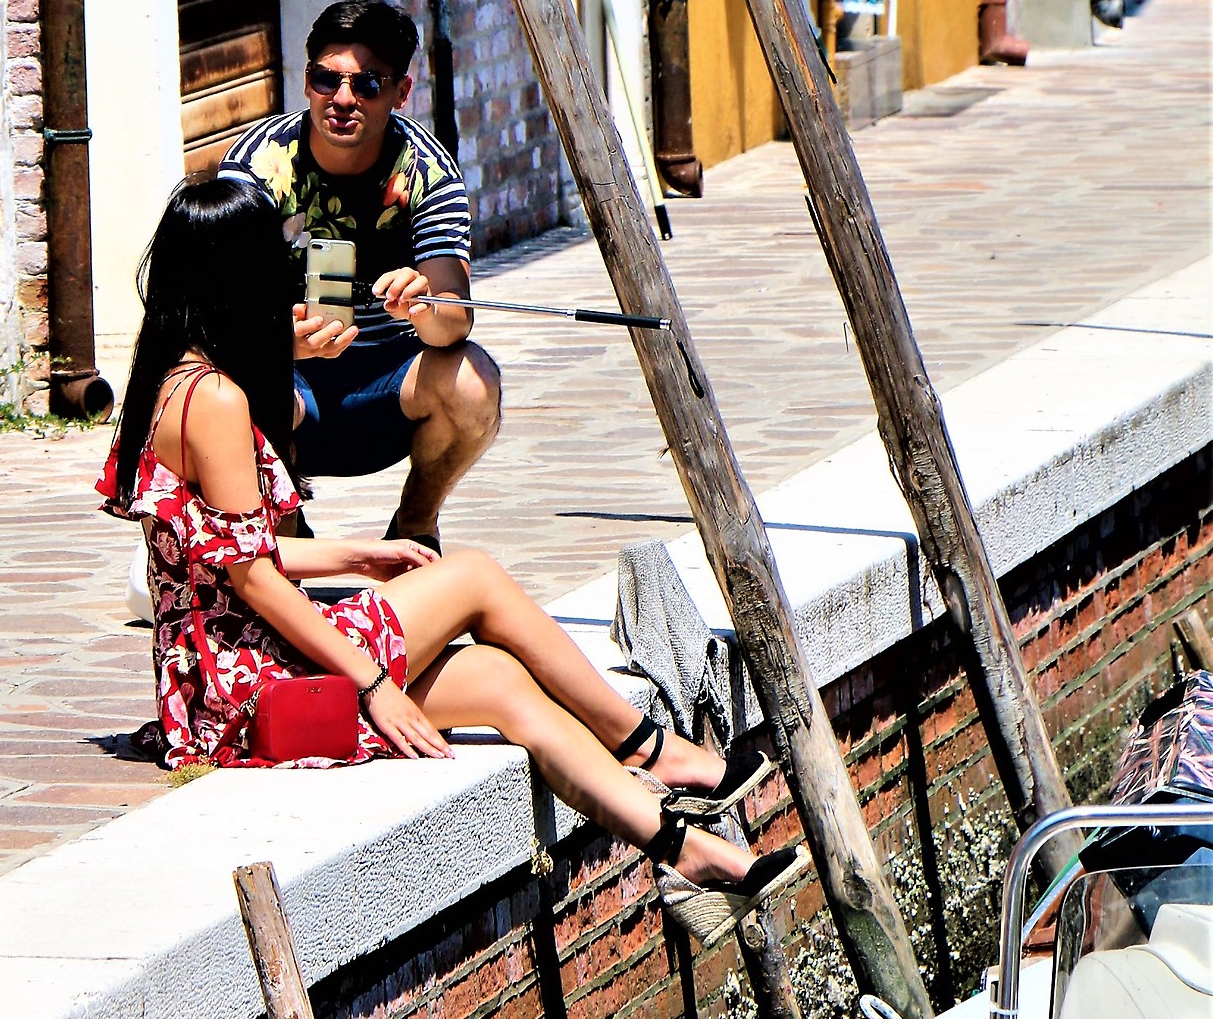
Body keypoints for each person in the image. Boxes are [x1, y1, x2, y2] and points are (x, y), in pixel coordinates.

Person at [100, 178, 800, 944]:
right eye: (277, 261)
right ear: (242, 278)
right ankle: (648, 748)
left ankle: (687, 852)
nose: (290, 273)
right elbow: (255, 579)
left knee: (502, 682)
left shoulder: (168, 377)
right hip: (254, 690)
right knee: (473, 577)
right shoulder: (220, 401)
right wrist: (374, 687)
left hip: (216, 683)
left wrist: (357, 551)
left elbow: (225, 550)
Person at [218, 0, 495, 552]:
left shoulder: (426, 171)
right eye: (327, 79)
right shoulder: (254, 167)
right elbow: (219, 311)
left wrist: (426, 304)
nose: (343, 100)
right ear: (306, 82)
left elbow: (452, 323)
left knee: (473, 380)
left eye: (367, 84)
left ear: (400, 92)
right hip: (286, 386)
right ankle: (283, 535)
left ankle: (417, 524)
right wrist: (281, 344)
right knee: (234, 383)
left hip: (387, 390)